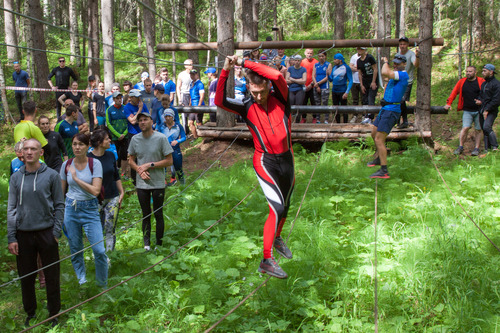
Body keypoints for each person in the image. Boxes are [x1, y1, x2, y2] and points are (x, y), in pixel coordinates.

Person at [215, 55, 295, 279]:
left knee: (286, 206)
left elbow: (278, 75)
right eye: (254, 92)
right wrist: (225, 70)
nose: (258, 97)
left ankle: (276, 237)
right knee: (276, 208)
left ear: (268, 86)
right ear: (248, 87)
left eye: (262, 91)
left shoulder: (282, 97)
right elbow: (220, 101)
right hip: (264, 161)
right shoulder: (246, 106)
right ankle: (266, 260)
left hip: (287, 159)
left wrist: (243, 62)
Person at [8, 138, 64, 328]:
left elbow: (59, 205)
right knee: (26, 276)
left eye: (33, 149)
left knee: (51, 275)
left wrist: (56, 232)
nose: (29, 152)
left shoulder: (51, 176)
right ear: (21, 153)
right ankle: (30, 313)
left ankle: (54, 313)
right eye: (26, 149)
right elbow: (12, 209)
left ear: (41, 152)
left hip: (47, 232)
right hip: (23, 234)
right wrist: (11, 237)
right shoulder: (16, 178)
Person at [61, 133, 108, 287]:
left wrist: (76, 179)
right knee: (75, 249)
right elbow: (61, 193)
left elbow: (95, 191)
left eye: (81, 144)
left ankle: (102, 285)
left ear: (88, 146)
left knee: (99, 250)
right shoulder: (66, 165)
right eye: (74, 144)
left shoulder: (94, 164)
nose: (77, 147)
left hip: (90, 209)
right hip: (70, 208)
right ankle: (83, 281)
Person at [128, 112, 173, 251]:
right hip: (142, 184)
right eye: (140, 120)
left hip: (158, 182)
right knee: (145, 213)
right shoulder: (135, 139)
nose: (142, 122)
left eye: (145, 120)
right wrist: (139, 170)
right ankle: (146, 245)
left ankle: (159, 245)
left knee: (158, 214)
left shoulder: (161, 138)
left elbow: (169, 160)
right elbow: (130, 159)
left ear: (151, 121)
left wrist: (150, 165)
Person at [367, 54, 409, 179]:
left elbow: (385, 72)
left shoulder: (403, 74)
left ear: (404, 64)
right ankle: (380, 158)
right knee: (374, 133)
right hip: (385, 108)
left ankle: (384, 171)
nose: (395, 65)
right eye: (394, 63)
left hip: (392, 110)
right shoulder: (396, 75)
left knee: (379, 139)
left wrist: (385, 61)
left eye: (398, 63)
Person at [88, 130, 124, 252]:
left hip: (112, 197)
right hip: (95, 199)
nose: (110, 141)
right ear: (99, 142)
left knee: (110, 227)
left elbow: (116, 176)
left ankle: (109, 255)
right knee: (96, 228)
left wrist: (122, 192)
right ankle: (98, 254)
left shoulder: (110, 155)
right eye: (107, 139)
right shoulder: (88, 159)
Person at [444, 66, 485, 156]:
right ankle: (460, 147)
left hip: (479, 110)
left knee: (478, 129)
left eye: (470, 71)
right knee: (465, 127)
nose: (468, 73)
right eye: (467, 71)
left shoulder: (481, 81)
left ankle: (476, 148)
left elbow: (487, 93)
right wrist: (449, 103)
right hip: (467, 110)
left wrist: (483, 102)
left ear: (475, 72)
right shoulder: (462, 81)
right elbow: (454, 92)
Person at [396, 36, 419, 129]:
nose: (402, 46)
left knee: (402, 100)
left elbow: (416, 64)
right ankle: (397, 121)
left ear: (408, 45)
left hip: (407, 81)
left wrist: (417, 56)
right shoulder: (397, 54)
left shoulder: (411, 54)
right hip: (398, 81)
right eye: (401, 44)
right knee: (397, 100)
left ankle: (405, 121)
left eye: (404, 44)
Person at [159, 108, 186, 186]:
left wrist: (177, 141)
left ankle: (183, 185)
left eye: (169, 116)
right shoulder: (161, 126)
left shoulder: (178, 126)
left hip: (175, 150)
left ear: (173, 116)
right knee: (162, 168)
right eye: (166, 116)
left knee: (179, 168)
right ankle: (162, 185)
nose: (167, 118)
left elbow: (184, 137)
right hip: (163, 150)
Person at [476, 64, 500, 152]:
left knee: (487, 127)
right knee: (484, 129)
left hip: (491, 110)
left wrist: (487, 109)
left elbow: (497, 100)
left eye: (484, 71)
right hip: (482, 110)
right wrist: (479, 101)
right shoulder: (484, 84)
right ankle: (487, 149)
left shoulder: (497, 84)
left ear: (491, 72)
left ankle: (495, 147)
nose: (482, 73)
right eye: (482, 71)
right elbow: (482, 96)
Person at [105, 91, 129, 173]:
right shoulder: (109, 110)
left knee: (124, 154)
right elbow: (109, 124)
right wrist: (117, 134)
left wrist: (124, 134)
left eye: (120, 98)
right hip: (115, 137)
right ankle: (116, 170)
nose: (119, 100)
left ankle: (124, 172)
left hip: (125, 136)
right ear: (114, 99)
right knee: (116, 154)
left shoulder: (125, 108)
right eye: (117, 98)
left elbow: (128, 122)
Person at [329, 53, 353, 123]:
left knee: (344, 108)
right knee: (336, 108)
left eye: (335, 59)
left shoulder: (346, 67)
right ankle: (337, 123)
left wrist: (347, 92)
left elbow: (351, 80)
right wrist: (327, 74)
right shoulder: (334, 67)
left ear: (340, 60)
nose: (334, 61)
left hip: (342, 91)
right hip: (334, 91)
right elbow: (331, 79)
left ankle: (345, 123)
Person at [357, 48, 378, 124]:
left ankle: (370, 117)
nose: (359, 50)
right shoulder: (358, 61)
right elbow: (359, 73)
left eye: (361, 49)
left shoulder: (370, 57)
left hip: (372, 80)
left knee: (370, 99)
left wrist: (373, 81)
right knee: (365, 99)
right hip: (364, 81)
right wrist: (361, 85)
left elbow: (375, 69)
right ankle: (366, 116)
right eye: (358, 49)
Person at [312, 49, 332, 124]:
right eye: (319, 56)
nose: (321, 58)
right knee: (317, 103)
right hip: (316, 86)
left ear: (325, 57)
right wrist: (316, 85)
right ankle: (318, 119)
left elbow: (328, 76)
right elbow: (313, 75)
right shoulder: (316, 65)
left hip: (324, 86)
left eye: (322, 56)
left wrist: (318, 83)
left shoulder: (328, 64)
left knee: (325, 103)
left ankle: (326, 119)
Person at [300, 48, 319, 123]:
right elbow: (300, 73)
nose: (309, 55)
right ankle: (303, 117)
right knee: (303, 102)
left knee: (313, 102)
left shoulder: (316, 62)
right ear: (305, 53)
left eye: (311, 53)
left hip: (313, 86)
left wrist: (311, 84)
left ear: (313, 54)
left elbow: (317, 75)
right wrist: (303, 84)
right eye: (308, 53)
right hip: (304, 86)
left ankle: (314, 117)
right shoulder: (302, 62)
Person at [286, 55, 307, 119]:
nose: (297, 62)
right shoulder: (290, 69)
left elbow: (303, 81)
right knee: (291, 102)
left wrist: (292, 79)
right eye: (296, 60)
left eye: (298, 60)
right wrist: (298, 80)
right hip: (291, 89)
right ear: (293, 61)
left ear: (300, 61)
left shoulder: (303, 69)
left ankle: (297, 120)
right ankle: (290, 119)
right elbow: (287, 80)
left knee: (298, 104)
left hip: (300, 89)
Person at [177, 59, 193, 131]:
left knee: (192, 113)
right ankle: (185, 131)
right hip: (184, 94)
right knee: (184, 114)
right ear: (186, 66)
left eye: (192, 64)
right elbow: (178, 87)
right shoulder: (181, 75)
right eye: (190, 64)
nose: (192, 66)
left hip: (192, 95)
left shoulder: (194, 73)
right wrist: (179, 98)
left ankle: (193, 130)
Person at [188, 69, 205, 139]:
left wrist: (199, 106)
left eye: (193, 74)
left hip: (198, 106)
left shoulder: (200, 84)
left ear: (197, 75)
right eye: (191, 74)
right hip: (192, 106)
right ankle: (195, 137)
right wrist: (189, 104)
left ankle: (201, 137)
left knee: (198, 123)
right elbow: (191, 95)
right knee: (190, 122)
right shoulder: (191, 83)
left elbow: (202, 96)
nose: (192, 76)